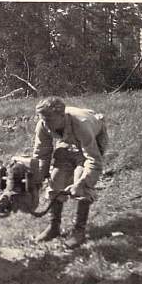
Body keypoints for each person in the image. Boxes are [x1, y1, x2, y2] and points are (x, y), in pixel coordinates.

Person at [33, 96, 108, 248]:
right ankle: (54, 227)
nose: (46, 124)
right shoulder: (44, 124)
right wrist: (39, 176)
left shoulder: (82, 125)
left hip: (92, 141)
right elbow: (42, 153)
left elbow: (93, 160)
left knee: (81, 181)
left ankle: (79, 231)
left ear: (62, 116)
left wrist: (80, 183)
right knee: (56, 181)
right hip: (68, 141)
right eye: (44, 120)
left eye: (50, 120)